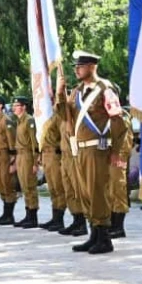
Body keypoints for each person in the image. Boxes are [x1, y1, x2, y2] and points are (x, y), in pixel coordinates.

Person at [69, 52, 127, 254]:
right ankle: (93, 234)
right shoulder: (77, 91)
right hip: (82, 149)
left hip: (98, 148)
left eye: (81, 66)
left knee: (98, 192)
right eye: (76, 66)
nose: (76, 69)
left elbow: (118, 120)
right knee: (85, 192)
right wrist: (59, 93)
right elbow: (65, 115)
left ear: (92, 67)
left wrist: (117, 151)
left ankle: (104, 238)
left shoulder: (105, 89)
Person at [57, 86, 88, 237]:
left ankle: (82, 222)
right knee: (68, 190)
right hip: (65, 156)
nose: (71, 98)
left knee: (77, 190)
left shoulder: (76, 116)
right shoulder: (64, 118)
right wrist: (59, 92)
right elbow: (60, 106)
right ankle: (76, 219)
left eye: (73, 96)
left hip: (75, 155)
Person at [0, 94, 18, 225]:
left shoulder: (6, 120)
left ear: (0, 106)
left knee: (7, 184)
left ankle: (9, 215)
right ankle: (5, 213)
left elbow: (12, 143)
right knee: (0, 184)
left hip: (5, 155)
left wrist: (13, 162)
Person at [39, 96, 66, 231]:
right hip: (46, 154)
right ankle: (55, 217)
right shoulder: (47, 117)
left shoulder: (59, 116)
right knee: (52, 188)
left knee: (58, 187)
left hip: (55, 155)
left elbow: (63, 135)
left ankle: (59, 219)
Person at [11, 96, 39, 228]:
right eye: (14, 105)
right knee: (24, 186)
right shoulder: (19, 121)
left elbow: (34, 142)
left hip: (28, 156)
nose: (14, 108)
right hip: (21, 156)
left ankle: (33, 217)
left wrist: (35, 162)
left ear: (24, 107)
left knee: (30, 186)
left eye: (16, 105)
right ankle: (28, 214)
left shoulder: (29, 120)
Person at [107, 104, 133, 238]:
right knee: (110, 191)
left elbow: (123, 138)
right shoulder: (107, 113)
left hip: (118, 155)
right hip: (108, 154)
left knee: (118, 190)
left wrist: (118, 154)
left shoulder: (121, 114)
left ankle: (118, 227)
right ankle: (111, 224)